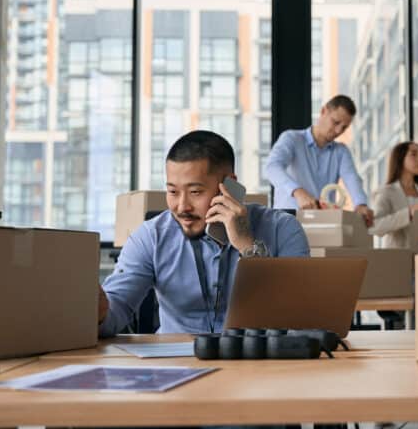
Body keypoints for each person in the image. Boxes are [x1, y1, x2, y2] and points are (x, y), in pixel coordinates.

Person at [97, 130, 310, 337]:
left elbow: (298, 315)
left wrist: (247, 247)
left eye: (195, 192)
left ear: (229, 185)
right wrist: (99, 312)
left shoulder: (283, 229)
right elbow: (116, 310)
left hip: (257, 363)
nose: (182, 207)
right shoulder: (151, 236)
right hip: (176, 364)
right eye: (172, 191)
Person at [265, 94, 374, 227]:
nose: (338, 131)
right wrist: (298, 192)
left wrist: (361, 204)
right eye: (336, 122)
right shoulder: (292, 139)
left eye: (344, 127)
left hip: (322, 225)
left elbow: (353, 179)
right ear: (323, 111)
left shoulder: (341, 152)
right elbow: (271, 168)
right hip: (287, 223)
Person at [369, 141, 418, 249]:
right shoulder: (387, 192)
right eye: (414, 154)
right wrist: (408, 214)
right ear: (400, 159)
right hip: (397, 260)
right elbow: (375, 226)